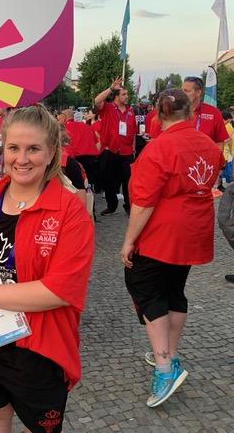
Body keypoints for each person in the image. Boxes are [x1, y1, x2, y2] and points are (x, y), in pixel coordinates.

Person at [0, 104, 94, 433]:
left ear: (52, 151)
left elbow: (59, 290)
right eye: (13, 148)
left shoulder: (70, 212)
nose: (22, 158)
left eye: (33, 149)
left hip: (38, 344)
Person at [120, 89, 224, 407]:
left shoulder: (158, 149)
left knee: (145, 287)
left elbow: (143, 202)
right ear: (190, 114)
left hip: (162, 233)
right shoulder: (208, 144)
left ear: (157, 115)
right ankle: (169, 354)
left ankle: (165, 366)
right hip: (194, 227)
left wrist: (129, 241)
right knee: (174, 290)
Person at [95, 76, 137, 215]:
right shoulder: (108, 108)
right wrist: (111, 88)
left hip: (126, 153)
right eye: (124, 94)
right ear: (116, 96)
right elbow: (97, 100)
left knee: (128, 182)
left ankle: (129, 206)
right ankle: (111, 205)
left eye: (127, 94)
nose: (127, 96)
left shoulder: (131, 112)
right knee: (108, 181)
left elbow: (133, 132)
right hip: (110, 150)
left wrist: (133, 149)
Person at [148, 77, 229, 149]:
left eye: (186, 91)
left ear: (198, 92)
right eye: (182, 90)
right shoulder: (169, 111)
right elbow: (154, 142)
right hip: (174, 162)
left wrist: (213, 163)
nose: (182, 94)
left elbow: (219, 142)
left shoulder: (213, 113)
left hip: (201, 163)